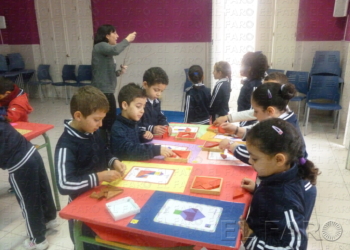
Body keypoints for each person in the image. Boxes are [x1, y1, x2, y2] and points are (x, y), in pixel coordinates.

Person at [54, 85, 126, 250]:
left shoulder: (92, 131)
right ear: (78, 115)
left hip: (100, 199)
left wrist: (113, 161)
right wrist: (99, 177)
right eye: (96, 119)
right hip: (81, 210)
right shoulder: (66, 145)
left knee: (108, 242)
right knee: (87, 245)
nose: (100, 124)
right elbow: (64, 184)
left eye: (102, 119)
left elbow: (104, 151)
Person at [238, 118, 318, 249]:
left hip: (262, 242)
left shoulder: (285, 199)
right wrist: (257, 190)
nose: (251, 162)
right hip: (263, 230)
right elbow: (274, 203)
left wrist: (250, 240)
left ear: (279, 159)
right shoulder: (285, 172)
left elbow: (294, 247)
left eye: (255, 158)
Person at [0, 116, 57, 250]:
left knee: (28, 202)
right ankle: (49, 219)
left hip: (20, 164)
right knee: (43, 189)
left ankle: (37, 240)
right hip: (32, 152)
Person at [219, 82, 307, 165]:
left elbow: (256, 157)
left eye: (256, 111)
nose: (254, 114)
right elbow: (262, 137)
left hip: (286, 178)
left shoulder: (280, 130)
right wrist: (237, 130)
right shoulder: (286, 118)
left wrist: (231, 145)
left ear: (270, 111)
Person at [91, 24, 136, 141]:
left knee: (109, 119)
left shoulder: (105, 50)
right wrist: (127, 39)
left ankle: (107, 143)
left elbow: (106, 72)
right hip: (103, 92)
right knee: (107, 120)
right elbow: (116, 50)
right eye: (114, 33)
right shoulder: (100, 46)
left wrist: (119, 72)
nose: (117, 36)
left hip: (107, 91)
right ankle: (105, 144)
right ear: (107, 35)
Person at [110, 83, 173, 160]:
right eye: (138, 106)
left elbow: (137, 137)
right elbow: (129, 150)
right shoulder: (118, 128)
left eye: (144, 107)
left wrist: (144, 136)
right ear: (125, 105)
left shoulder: (133, 122)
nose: (142, 111)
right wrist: (155, 150)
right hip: (124, 167)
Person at [213, 71, 288, 126]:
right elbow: (254, 116)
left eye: (270, 88)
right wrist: (229, 121)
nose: (264, 90)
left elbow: (258, 132)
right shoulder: (275, 110)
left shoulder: (283, 125)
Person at [237, 52, 268, 126]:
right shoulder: (250, 83)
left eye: (242, 65)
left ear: (249, 68)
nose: (241, 67)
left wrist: (242, 127)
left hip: (249, 126)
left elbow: (252, 112)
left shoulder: (254, 87)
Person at [139, 67, 172, 135]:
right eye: (156, 90)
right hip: (141, 138)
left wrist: (165, 125)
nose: (158, 94)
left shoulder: (156, 101)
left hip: (154, 137)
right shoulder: (139, 102)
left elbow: (160, 116)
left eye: (161, 91)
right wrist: (152, 128)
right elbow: (136, 124)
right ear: (145, 85)